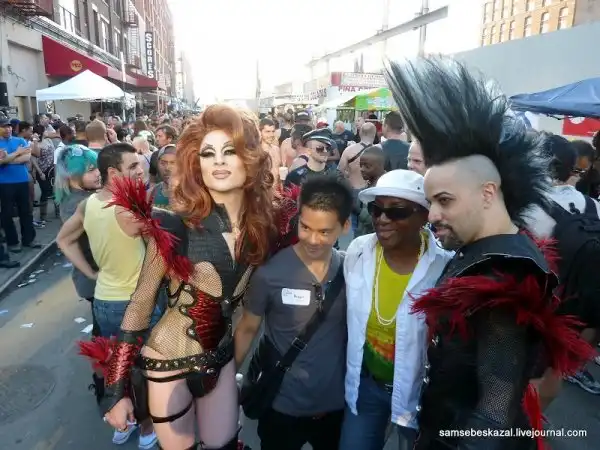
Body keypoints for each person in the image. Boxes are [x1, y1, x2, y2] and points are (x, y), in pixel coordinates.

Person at [384, 56, 593, 449]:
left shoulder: (504, 276)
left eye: (445, 200)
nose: (433, 215)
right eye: (431, 202)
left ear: (487, 193)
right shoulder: (488, 251)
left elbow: (492, 420)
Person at [82, 106, 297, 450]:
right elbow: (141, 303)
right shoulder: (175, 225)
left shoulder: (266, 226)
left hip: (220, 358)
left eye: (229, 151)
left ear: (250, 158)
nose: (218, 161)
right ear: (197, 164)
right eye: (208, 153)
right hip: (168, 363)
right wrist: (116, 390)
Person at [235, 175, 352, 450]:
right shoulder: (270, 274)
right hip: (281, 408)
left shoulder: (353, 271)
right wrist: (226, 381)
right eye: (305, 227)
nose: (313, 239)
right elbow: (247, 328)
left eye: (325, 232)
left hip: (335, 408)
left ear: (345, 226)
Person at [340, 170, 453, 450]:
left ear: (424, 216)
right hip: (366, 387)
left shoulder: (444, 268)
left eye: (397, 212)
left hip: (419, 395)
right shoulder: (358, 252)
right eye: (376, 209)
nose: (382, 219)